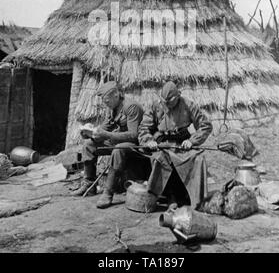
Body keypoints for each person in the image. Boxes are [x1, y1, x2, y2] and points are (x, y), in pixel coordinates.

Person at [138, 81, 213, 209]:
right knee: (160, 159)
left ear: (177, 97)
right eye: (164, 102)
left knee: (197, 159)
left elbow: (205, 125)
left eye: (169, 102)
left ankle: (194, 198)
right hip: (162, 141)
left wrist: (192, 141)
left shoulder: (188, 105)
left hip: (182, 142)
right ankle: (169, 196)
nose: (166, 105)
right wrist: (149, 140)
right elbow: (143, 128)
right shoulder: (155, 106)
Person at [73, 81, 143, 209]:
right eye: (104, 101)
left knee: (118, 149)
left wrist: (106, 134)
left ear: (116, 95)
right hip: (118, 141)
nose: (105, 103)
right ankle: (89, 184)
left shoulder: (131, 107)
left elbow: (134, 135)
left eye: (107, 100)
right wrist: (89, 133)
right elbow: (103, 129)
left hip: (135, 145)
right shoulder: (113, 109)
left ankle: (108, 192)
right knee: (89, 145)